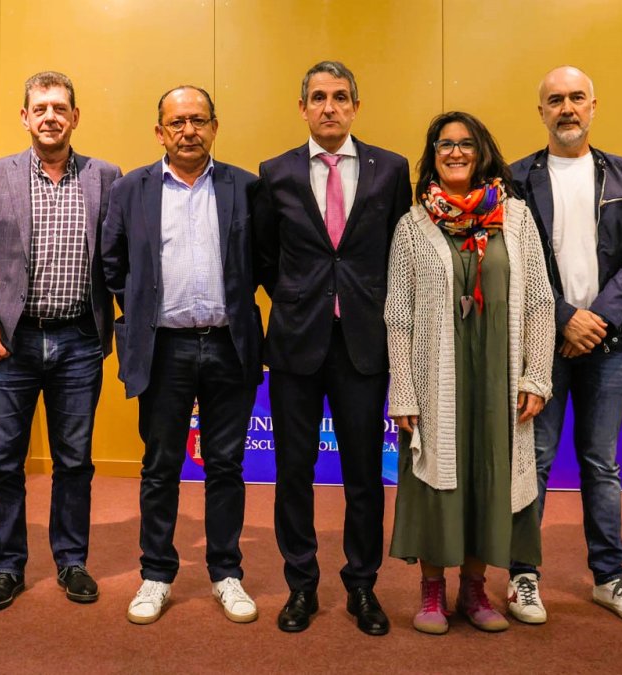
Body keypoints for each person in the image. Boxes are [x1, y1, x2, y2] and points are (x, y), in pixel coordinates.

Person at [253, 60, 412, 636]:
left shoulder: (391, 170)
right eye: (317, 97)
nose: (329, 107)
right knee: (293, 470)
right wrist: (302, 300)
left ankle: (363, 586)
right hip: (297, 343)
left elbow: (400, 252)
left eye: (340, 97)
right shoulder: (274, 174)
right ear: (302, 107)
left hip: (365, 345)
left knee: (365, 473)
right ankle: (301, 585)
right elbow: (267, 258)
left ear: (355, 106)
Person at [385, 111, 554, 635]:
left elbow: (541, 302)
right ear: (432, 156)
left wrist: (536, 376)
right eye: (444, 145)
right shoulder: (414, 224)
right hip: (438, 377)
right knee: (437, 476)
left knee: (490, 474)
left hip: (499, 376)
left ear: (481, 152)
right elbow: (399, 312)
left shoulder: (517, 218)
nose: (455, 153)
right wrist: (405, 390)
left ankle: (475, 589)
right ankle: (433, 591)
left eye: (465, 144)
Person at [506, 66, 622, 626]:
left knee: (603, 464)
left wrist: (595, 319)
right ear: (541, 111)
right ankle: (524, 576)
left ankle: (609, 577)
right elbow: (516, 264)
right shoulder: (517, 178)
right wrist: (565, 317)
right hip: (540, 345)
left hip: (609, 342)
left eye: (577, 98)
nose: (567, 108)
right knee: (535, 461)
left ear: (594, 106)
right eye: (555, 100)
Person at [0, 71, 121, 612]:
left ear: (75, 118)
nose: (50, 116)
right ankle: (6, 566)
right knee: (3, 462)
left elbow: (118, 260)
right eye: (40, 107)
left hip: (78, 340)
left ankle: (72, 559)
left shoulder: (106, 177)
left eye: (60, 107)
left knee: (74, 461)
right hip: (12, 343)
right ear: (25, 117)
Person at [101, 86, 262, 625]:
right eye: (177, 122)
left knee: (225, 466)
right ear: (159, 131)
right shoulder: (131, 190)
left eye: (198, 121)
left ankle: (225, 572)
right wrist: (142, 310)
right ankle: (156, 574)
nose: (188, 131)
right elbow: (112, 262)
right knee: (160, 466)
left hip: (229, 345)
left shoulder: (245, 187)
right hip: (163, 348)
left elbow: (264, 261)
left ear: (215, 126)